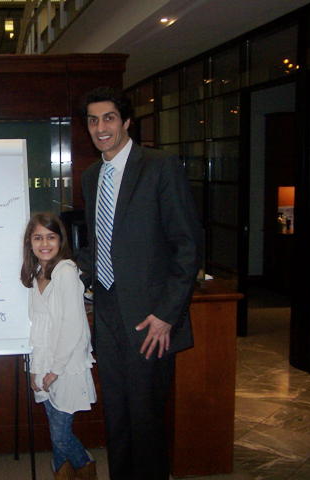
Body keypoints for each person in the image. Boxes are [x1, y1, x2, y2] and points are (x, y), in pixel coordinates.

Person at [77, 87, 203, 480]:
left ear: (127, 121)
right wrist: (61, 273)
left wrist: (167, 315)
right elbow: (100, 244)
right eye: (93, 120)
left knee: (146, 420)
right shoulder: (91, 176)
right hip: (107, 311)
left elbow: (188, 246)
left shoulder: (160, 166)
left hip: (151, 318)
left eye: (109, 118)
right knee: (116, 416)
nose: (101, 127)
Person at [21, 213, 98, 480]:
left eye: (51, 237)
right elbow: (37, 327)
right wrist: (34, 367)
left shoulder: (66, 272)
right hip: (44, 362)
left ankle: (87, 468)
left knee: (61, 436)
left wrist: (55, 369)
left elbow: (72, 326)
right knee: (56, 439)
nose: (45, 243)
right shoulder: (36, 274)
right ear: (29, 242)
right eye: (38, 238)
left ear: (60, 240)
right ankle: (64, 474)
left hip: (65, 365)